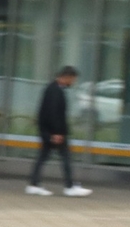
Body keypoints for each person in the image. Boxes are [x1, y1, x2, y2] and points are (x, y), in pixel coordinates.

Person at [27, 65, 89, 196]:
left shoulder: (52, 88)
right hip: (54, 132)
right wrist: (56, 133)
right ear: (66, 77)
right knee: (65, 157)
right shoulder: (55, 91)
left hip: (49, 131)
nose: (73, 82)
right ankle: (69, 186)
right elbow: (53, 113)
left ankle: (34, 184)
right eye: (72, 79)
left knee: (44, 157)